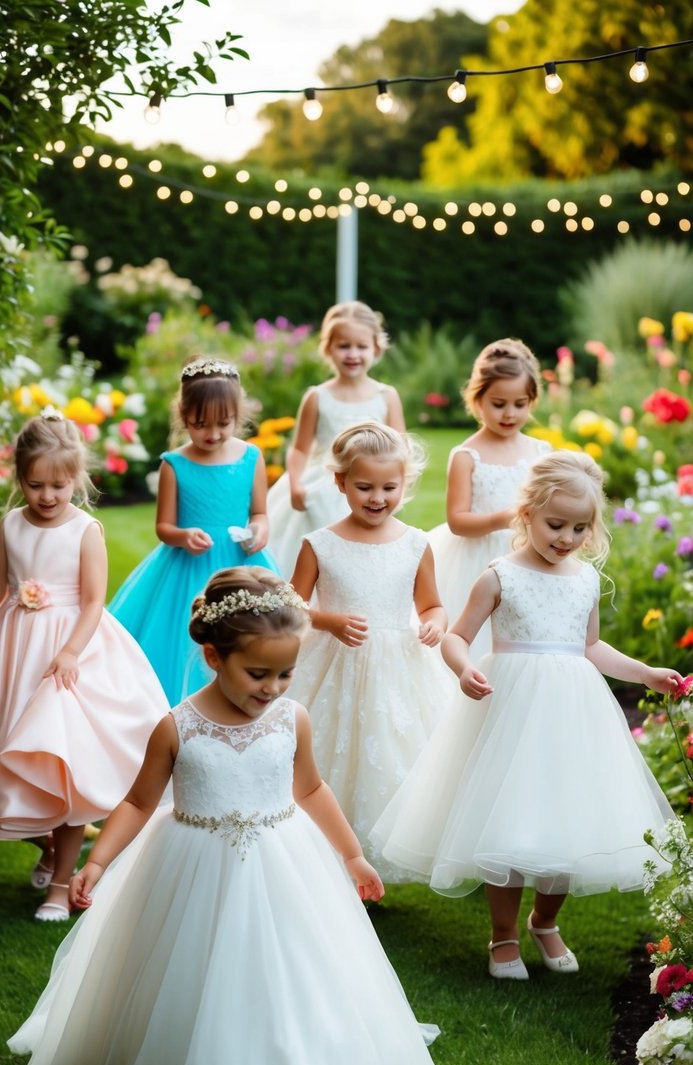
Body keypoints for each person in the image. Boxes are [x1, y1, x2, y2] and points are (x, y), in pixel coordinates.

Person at [9, 567, 449, 1065]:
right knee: (192, 977)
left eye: (286, 674)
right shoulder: (177, 726)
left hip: (283, 863)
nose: (273, 688)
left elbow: (312, 787)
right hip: (191, 868)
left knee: (295, 976)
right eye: (258, 673)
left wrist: (351, 855)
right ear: (214, 655)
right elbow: (137, 803)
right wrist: (97, 862)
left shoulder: (291, 719)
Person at [371, 451, 681, 979]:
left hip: (572, 714)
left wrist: (646, 672)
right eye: (555, 524)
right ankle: (503, 934)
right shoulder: (499, 577)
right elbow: (455, 637)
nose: (565, 537)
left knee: (566, 821)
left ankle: (544, 920)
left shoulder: (583, 580)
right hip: (510, 709)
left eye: (579, 528)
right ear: (528, 514)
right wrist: (464, 669)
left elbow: (591, 647)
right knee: (508, 823)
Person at [0, 410, 168, 921]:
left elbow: (93, 602)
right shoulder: (11, 525)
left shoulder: (86, 530)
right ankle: (48, 846)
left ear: (78, 479)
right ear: (20, 477)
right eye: (35, 484)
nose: (47, 496)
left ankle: (62, 885)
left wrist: (69, 652)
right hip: (14, 655)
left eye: (59, 486)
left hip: (70, 656)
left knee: (65, 765)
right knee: (10, 760)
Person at [290, 422, 454, 875]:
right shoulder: (319, 544)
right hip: (333, 666)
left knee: (393, 758)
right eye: (364, 487)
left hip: (399, 669)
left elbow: (433, 604)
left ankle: (375, 855)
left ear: (405, 483)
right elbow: (291, 608)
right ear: (341, 482)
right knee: (331, 755)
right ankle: (328, 856)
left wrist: (434, 626)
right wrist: (329, 620)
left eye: (389, 487)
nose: (377, 497)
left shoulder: (415, 544)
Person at [109, 357, 279, 704]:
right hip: (187, 567)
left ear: (237, 415)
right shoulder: (175, 464)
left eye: (223, 423)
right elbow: (163, 526)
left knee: (250, 635)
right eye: (200, 424)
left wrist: (259, 531)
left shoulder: (251, 457)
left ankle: (245, 696)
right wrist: (183, 536)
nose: (213, 434)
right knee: (183, 643)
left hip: (239, 562)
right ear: (184, 415)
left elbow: (259, 511)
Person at [429, 338, 551, 659]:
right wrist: (503, 518)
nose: (510, 413)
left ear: (532, 401)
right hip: (478, 558)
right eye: (499, 404)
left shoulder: (540, 452)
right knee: (481, 636)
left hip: (528, 555)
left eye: (520, 404)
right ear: (477, 399)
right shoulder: (467, 455)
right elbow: (458, 520)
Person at [267, 300, 406, 576]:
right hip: (322, 488)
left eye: (361, 346)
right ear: (328, 348)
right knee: (321, 554)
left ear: (376, 348)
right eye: (344, 346)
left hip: (371, 484)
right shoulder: (318, 397)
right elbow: (299, 449)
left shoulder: (386, 396)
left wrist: (396, 488)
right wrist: (295, 483)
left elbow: (400, 449)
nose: (352, 354)